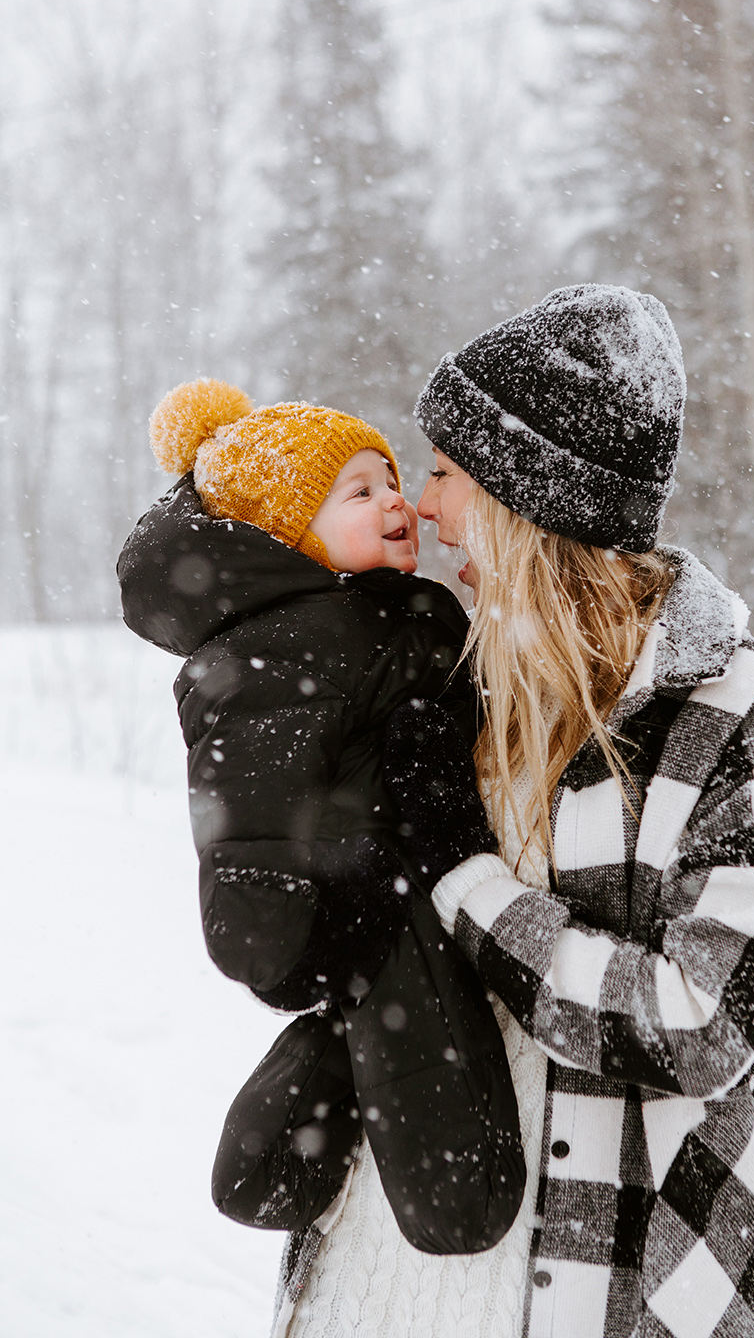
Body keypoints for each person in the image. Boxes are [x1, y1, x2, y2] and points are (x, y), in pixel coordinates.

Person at [279, 284, 754, 1338]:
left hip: (636, 1282)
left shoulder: (736, 712)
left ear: (524, 497)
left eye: (446, 473)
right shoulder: (458, 682)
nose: (427, 506)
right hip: (400, 1265)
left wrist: (468, 880)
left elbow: (699, 1021)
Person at [116, 379, 524, 1259]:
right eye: (360, 491)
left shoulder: (384, 614)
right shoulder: (290, 644)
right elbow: (252, 806)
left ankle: (288, 1159)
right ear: (296, 531)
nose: (398, 503)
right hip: (372, 900)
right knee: (423, 1054)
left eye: (392, 479)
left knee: (392, 1038)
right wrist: (289, 911)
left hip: (418, 880)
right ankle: (422, 1203)